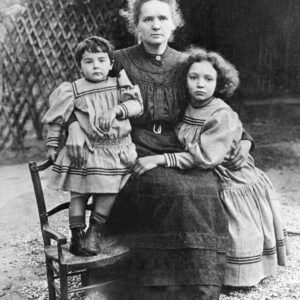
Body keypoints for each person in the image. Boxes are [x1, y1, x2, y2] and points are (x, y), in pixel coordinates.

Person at [66, 0, 253, 298]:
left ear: (174, 22)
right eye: (148, 18)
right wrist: (75, 125)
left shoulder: (185, 63)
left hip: (176, 147)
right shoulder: (116, 60)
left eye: (163, 18)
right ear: (136, 24)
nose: (156, 25)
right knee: (170, 189)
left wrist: (244, 138)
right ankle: (159, 284)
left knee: (205, 185)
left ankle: (200, 286)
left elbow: (212, 106)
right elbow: (81, 91)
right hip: (130, 148)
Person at [160, 47, 288, 287]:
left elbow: (213, 150)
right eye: (193, 77)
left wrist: (246, 142)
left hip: (227, 169)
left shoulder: (220, 110)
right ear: (184, 79)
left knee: (236, 221)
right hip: (201, 162)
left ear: (218, 83)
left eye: (208, 79)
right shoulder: (184, 107)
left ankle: (239, 274)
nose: (200, 84)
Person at [42, 36, 143, 256]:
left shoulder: (118, 84)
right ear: (79, 66)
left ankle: (95, 230)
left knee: (109, 191)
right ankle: (76, 234)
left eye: (101, 60)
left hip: (115, 150)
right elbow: (58, 117)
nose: (95, 65)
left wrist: (117, 110)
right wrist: (52, 144)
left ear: (110, 64)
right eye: (88, 61)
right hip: (84, 151)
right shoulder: (73, 89)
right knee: (78, 195)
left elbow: (136, 105)